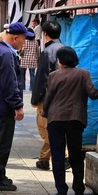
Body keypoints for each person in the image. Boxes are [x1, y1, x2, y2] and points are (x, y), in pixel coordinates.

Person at [43, 47, 98, 195]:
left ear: (60, 61)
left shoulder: (53, 76)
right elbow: (92, 93)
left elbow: (49, 97)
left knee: (57, 155)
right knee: (76, 154)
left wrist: (45, 113)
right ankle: (78, 188)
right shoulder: (83, 73)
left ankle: (62, 190)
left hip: (55, 119)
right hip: (75, 119)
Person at [0, 22, 32, 191]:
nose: (24, 43)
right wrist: (18, 105)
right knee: (2, 143)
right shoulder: (6, 53)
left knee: (1, 142)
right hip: (2, 106)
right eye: (24, 39)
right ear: (15, 38)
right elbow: (10, 83)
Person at [31, 21, 65, 171]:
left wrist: (35, 99)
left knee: (44, 128)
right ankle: (44, 158)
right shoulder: (66, 49)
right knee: (54, 128)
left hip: (48, 98)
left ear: (45, 34)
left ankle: (64, 156)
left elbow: (42, 78)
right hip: (64, 98)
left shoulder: (47, 52)